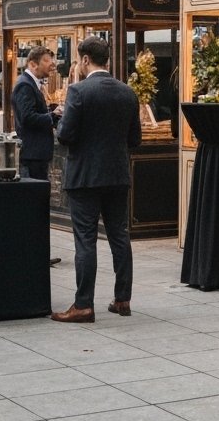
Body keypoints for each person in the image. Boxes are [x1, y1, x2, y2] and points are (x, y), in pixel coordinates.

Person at [52, 36, 141, 323]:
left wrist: (62, 122)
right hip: (117, 174)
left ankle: (83, 304)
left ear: (85, 60)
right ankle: (122, 299)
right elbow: (135, 139)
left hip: (85, 176)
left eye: (78, 60)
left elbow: (65, 135)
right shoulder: (128, 92)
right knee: (119, 236)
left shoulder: (78, 91)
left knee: (86, 240)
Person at [13, 45, 64, 266]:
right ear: (33, 64)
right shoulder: (25, 85)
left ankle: (38, 252)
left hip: (37, 153)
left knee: (38, 206)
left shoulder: (31, 84)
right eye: (46, 61)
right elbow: (27, 118)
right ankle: (35, 254)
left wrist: (50, 109)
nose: (51, 65)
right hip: (32, 154)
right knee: (35, 206)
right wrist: (52, 116)